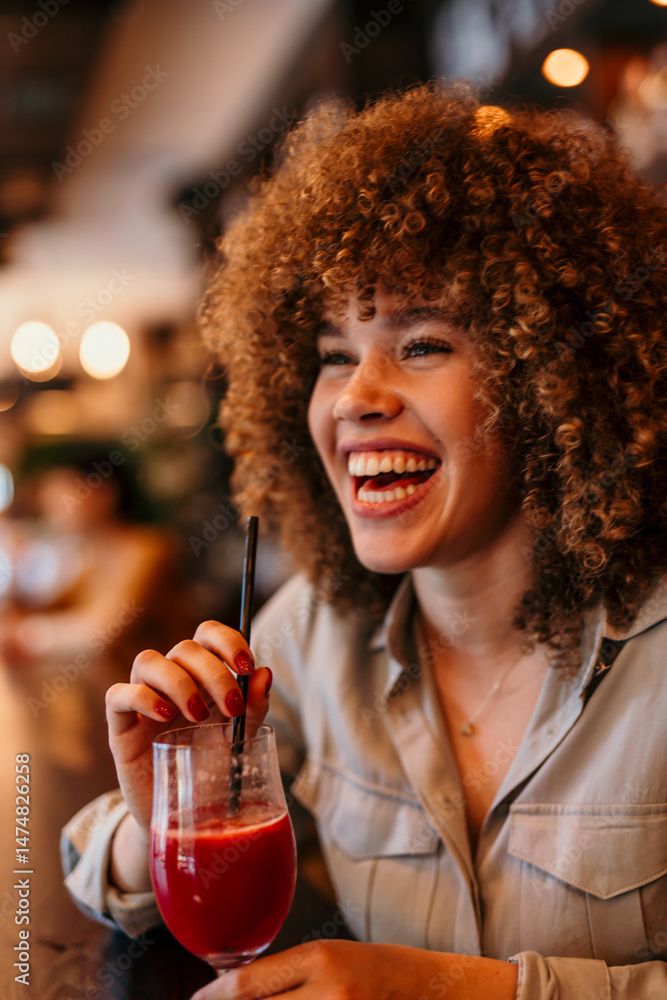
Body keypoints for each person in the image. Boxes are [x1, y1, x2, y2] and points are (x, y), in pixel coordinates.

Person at [62, 82, 667, 999]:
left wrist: (463, 992)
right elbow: (88, 867)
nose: (354, 397)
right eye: (333, 354)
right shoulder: (315, 629)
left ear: (551, 374)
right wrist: (164, 816)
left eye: (421, 344)